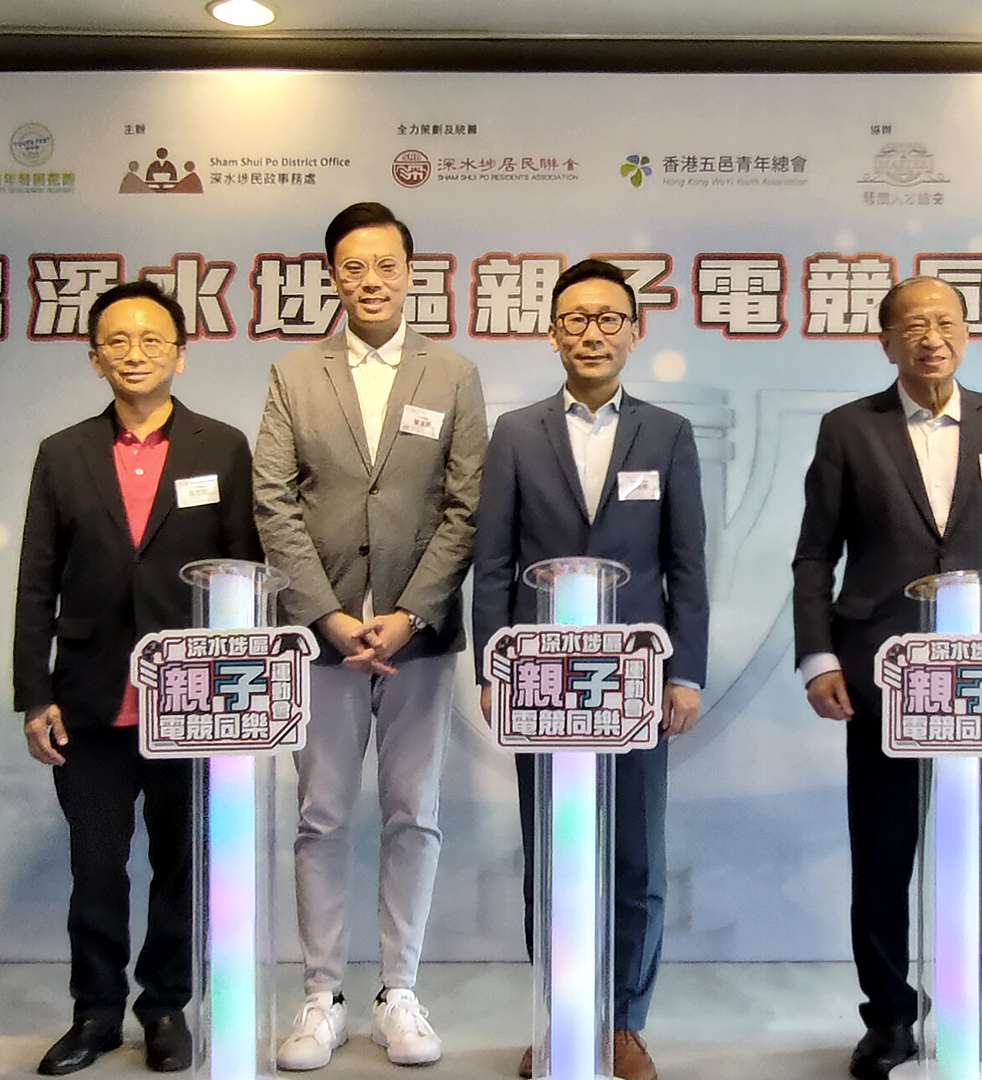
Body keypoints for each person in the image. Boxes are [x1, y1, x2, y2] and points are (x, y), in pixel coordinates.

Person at [792, 275, 982, 1080]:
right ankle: (889, 1020)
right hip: (881, 673)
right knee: (882, 851)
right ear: (886, 341)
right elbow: (815, 555)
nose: (929, 337)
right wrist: (819, 656)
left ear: (967, 333)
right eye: (912, 325)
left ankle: (979, 1012)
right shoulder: (849, 429)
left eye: (944, 322)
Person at [255, 201, 487, 1070]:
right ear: (332, 276)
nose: (372, 280)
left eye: (386, 264)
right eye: (354, 267)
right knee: (319, 816)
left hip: (418, 638)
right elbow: (273, 502)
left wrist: (408, 612)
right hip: (323, 639)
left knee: (412, 815)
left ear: (411, 270)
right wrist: (331, 616)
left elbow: (466, 507)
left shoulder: (454, 374)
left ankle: (399, 990)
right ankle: (320, 995)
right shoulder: (292, 374)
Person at [13, 280, 260, 1074]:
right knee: (95, 866)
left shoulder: (220, 447)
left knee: (181, 864)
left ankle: (163, 1007)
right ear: (93, 358)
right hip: (87, 694)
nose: (135, 353)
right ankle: (93, 1013)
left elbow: (245, 571)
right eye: (117, 341)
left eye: (152, 339)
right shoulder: (62, 453)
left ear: (181, 353)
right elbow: (34, 581)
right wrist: (33, 691)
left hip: (189, 696)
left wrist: (237, 690)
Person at [473, 258, 709, 1080]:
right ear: (552, 333)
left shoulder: (669, 434)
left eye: (609, 318)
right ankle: (562, 1015)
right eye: (575, 319)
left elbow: (687, 567)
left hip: (637, 682)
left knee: (637, 856)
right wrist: (491, 664)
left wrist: (687, 674)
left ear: (635, 331)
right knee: (556, 852)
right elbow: (493, 564)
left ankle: (625, 1023)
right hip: (540, 678)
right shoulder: (515, 433)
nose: (592, 333)